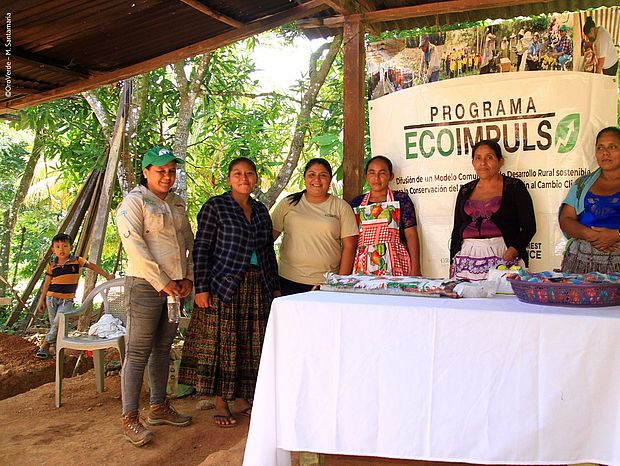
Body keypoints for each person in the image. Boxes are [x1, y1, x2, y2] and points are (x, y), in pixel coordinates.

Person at [179, 157, 280, 428]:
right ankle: (221, 402)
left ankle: (243, 400)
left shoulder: (260, 210)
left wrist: (275, 286)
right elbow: (202, 248)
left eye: (249, 173)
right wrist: (202, 288)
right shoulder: (216, 206)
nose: (244, 178)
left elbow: (268, 251)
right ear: (229, 178)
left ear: (256, 178)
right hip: (224, 285)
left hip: (258, 284)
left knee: (251, 344)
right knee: (224, 344)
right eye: (237, 173)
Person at [116, 146, 194, 446]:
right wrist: (162, 282)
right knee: (137, 351)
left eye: (171, 170)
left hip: (175, 288)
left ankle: (158, 406)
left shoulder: (177, 202)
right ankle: (130, 418)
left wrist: (188, 278)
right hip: (146, 286)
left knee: (163, 348)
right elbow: (135, 247)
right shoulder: (133, 203)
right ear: (146, 172)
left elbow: (188, 243)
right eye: (160, 170)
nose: (167, 176)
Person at [450, 140, 536, 280]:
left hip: (503, 254)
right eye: (478, 158)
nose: (483, 163)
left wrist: (510, 254)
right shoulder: (465, 190)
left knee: (501, 299)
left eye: (489, 157)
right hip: (466, 259)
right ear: (473, 162)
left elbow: (529, 227)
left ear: (500, 161)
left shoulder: (514, 187)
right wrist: (452, 262)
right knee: (466, 299)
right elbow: (456, 229)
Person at [271, 158, 359, 295]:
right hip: (287, 280)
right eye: (311, 174)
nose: (317, 180)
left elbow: (350, 246)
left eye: (323, 175)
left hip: (325, 283)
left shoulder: (341, 207)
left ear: (330, 180)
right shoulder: (288, 203)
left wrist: (338, 284)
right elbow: (267, 239)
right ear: (304, 178)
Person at [35, 233, 114, 359]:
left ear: (71, 248)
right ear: (53, 249)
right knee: (55, 325)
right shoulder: (52, 265)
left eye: (64, 246)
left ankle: (45, 344)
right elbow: (47, 283)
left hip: (66, 300)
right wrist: (42, 299)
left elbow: (91, 265)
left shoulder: (77, 261)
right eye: (58, 247)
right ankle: (56, 351)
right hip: (51, 298)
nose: (61, 249)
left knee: (58, 322)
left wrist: (106, 275)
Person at [559, 127, 620, 273]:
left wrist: (616, 235)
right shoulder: (582, 184)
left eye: (612, 147)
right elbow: (566, 219)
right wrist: (591, 235)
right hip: (581, 262)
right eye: (600, 147)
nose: (605, 153)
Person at [350, 156, 421, 276]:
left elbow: (411, 235)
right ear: (366, 176)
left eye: (382, 173)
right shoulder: (357, 203)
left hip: (395, 262)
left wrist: (416, 269)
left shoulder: (401, 199)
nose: (376, 178)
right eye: (372, 173)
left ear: (391, 176)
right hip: (363, 263)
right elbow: (352, 240)